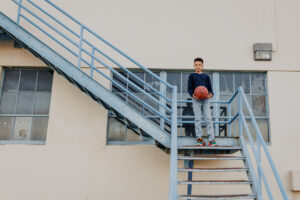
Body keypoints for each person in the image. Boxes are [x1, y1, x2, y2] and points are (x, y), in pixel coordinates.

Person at [187, 57, 217, 146]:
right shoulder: (191, 76)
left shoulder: (206, 76)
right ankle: (200, 139)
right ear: (193, 66)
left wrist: (210, 94)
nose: (198, 66)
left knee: (208, 118)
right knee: (197, 119)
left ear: (202, 66)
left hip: (206, 100)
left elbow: (211, 90)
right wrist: (193, 95)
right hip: (196, 100)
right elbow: (189, 89)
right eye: (196, 65)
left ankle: (211, 140)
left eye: (199, 65)